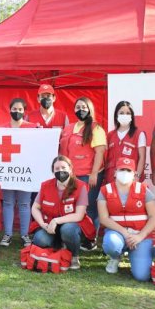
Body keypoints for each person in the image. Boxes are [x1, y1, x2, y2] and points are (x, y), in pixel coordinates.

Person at [98, 157, 155, 281]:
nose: (125, 173)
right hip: (118, 233)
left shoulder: (143, 190)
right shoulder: (105, 190)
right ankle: (115, 257)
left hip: (140, 236)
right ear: (115, 172)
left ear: (134, 174)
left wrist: (140, 236)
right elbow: (104, 218)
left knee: (142, 276)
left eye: (128, 170)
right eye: (122, 170)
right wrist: (125, 233)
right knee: (111, 243)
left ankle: (139, 255)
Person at [59, 96, 107, 250]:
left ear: (90, 109)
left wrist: (94, 174)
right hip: (72, 176)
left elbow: (100, 152)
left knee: (90, 208)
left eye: (84, 107)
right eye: (78, 107)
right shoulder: (68, 128)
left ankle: (90, 239)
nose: (81, 110)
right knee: (73, 207)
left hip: (89, 175)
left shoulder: (96, 128)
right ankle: (75, 236)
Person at [31, 155, 92, 270]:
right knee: (39, 239)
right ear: (52, 171)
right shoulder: (45, 186)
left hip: (72, 226)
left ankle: (74, 256)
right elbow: (35, 208)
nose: (61, 171)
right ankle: (59, 248)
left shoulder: (81, 186)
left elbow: (79, 215)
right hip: (50, 226)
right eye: (57, 169)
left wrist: (56, 220)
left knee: (67, 230)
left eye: (63, 168)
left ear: (70, 168)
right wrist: (42, 224)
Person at [0, 98, 36, 247]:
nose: (17, 112)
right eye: (14, 109)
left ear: (24, 111)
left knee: (25, 204)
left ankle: (25, 234)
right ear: (9, 110)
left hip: (25, 173)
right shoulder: (1, 128)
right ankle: (7, 234)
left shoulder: (33, 128)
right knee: (7, 202)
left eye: (20, 109)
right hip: (8, 171)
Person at [104, 101, 146, 184]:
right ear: (116, 115)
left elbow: (142, 158)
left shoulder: (138, 134)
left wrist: (137, 176)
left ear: (132, 116)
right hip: (111, 179)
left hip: (130, 178)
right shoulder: (110, 135)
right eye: (121, 113)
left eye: (128, 113)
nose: (125, 115)